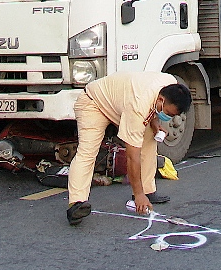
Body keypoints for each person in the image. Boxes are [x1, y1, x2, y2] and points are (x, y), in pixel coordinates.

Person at [66, 71, 192, 226]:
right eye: (167, 113)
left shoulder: (170, 83)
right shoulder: (139, 105)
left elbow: (153, 109)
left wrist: (155, 124)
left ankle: (147, 190)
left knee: (150, 138)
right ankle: (76, 204)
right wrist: (138, 195)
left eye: (171, 116)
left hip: (120, 104)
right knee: (88, 152)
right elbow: (132, 156)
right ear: (161, 100)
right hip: (93, 103)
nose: (168, 117)